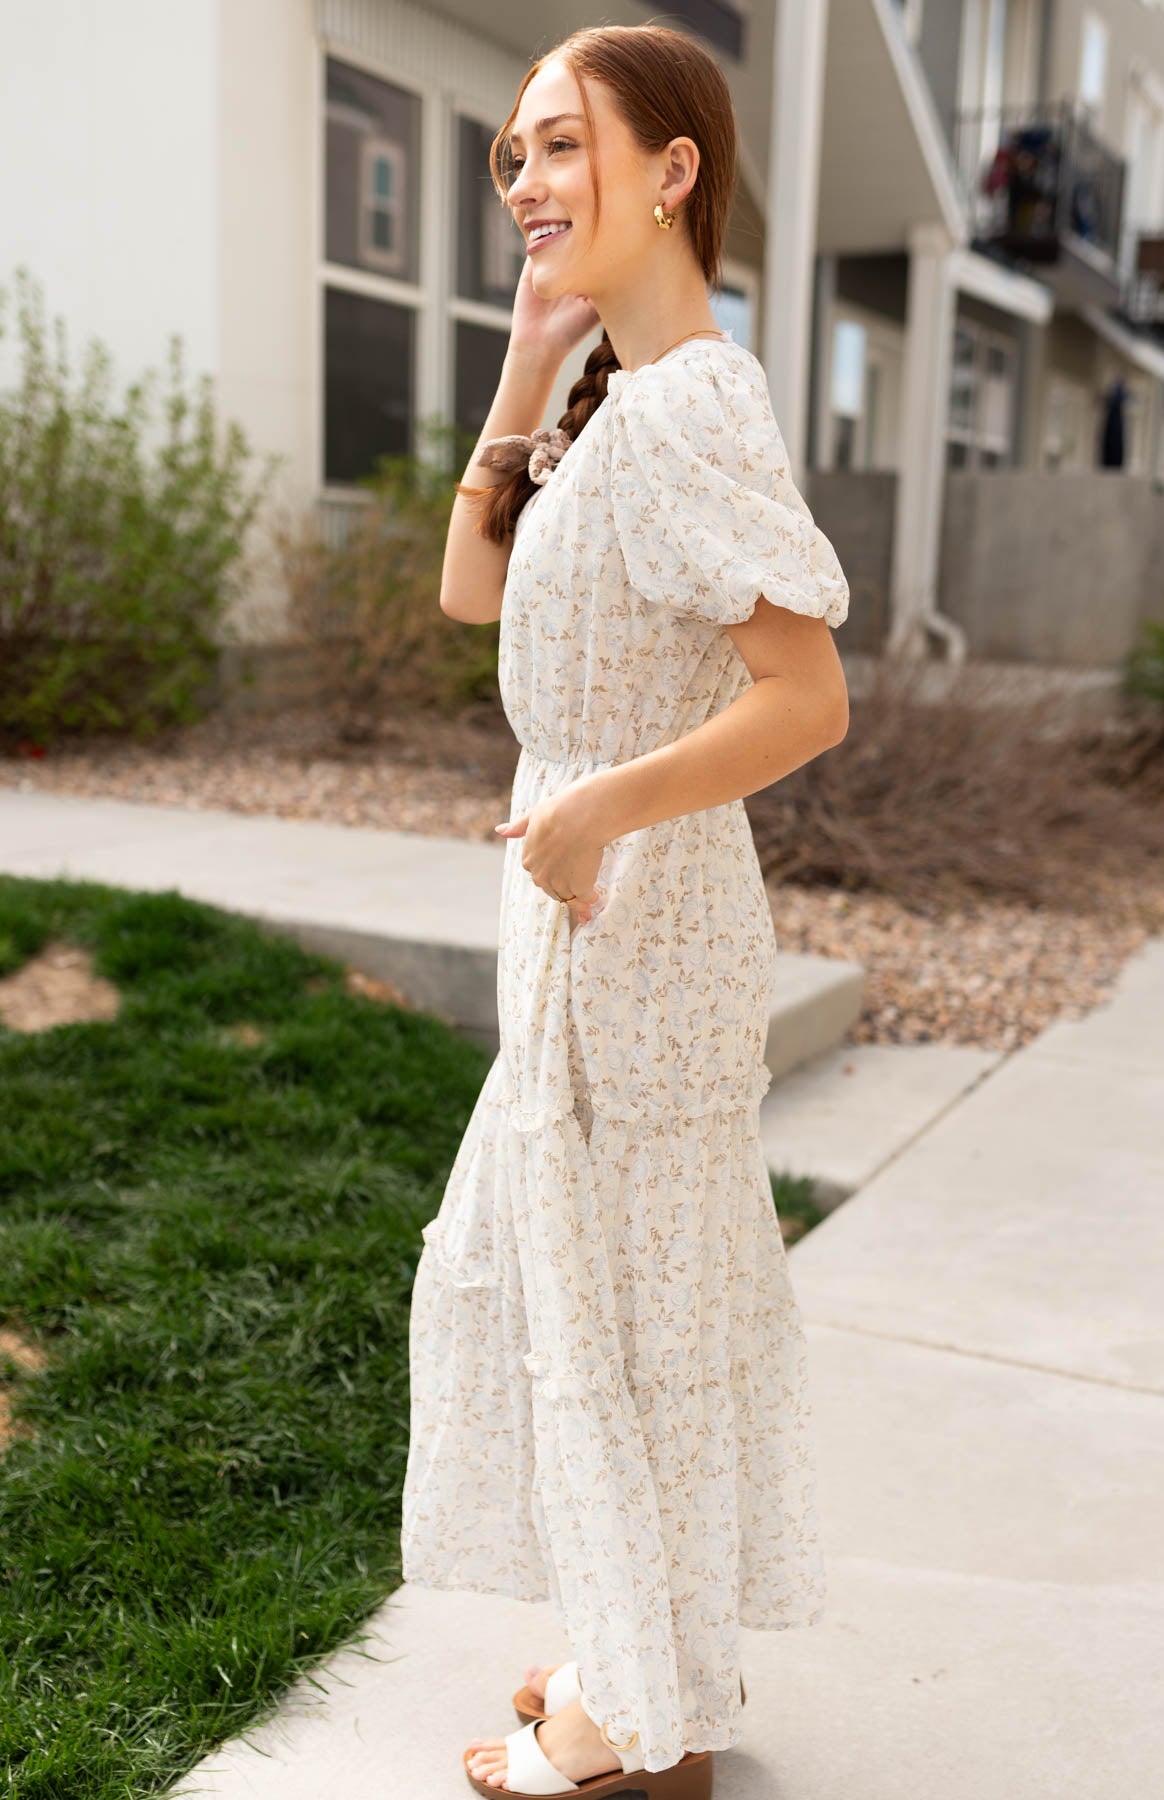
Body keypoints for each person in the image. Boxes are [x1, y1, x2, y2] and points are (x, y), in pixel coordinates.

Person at [399, 23, 851, 1798]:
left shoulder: (691, 410)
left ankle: (624, 1723)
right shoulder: (627, 401)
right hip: (593, 904)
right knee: (613, 1292)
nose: (521, 180)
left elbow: (805, 700)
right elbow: (463, 594)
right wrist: (525, 368)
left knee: (627, 1301)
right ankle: (641, 1657)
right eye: (512, 152)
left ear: (671, 170)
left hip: (636, 911)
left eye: (560, 145)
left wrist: (594, 804)